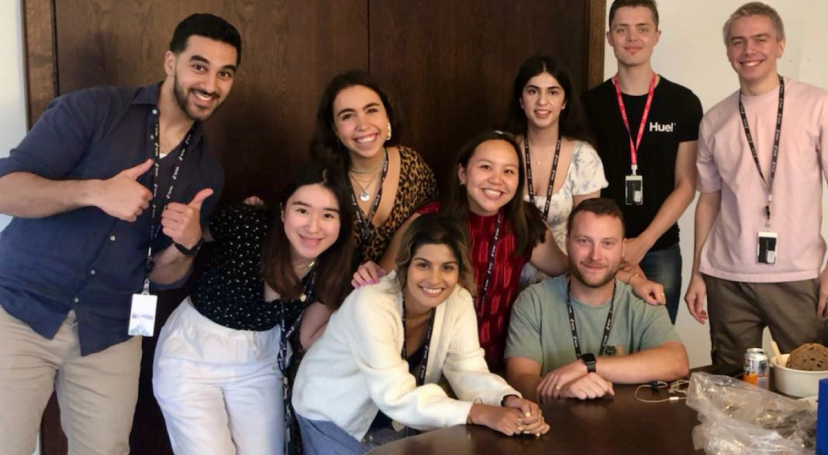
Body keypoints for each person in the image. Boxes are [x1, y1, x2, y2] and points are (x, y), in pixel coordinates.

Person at [0, 14, 240, 455]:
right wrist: (94, 191)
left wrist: (185, 245)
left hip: (109, 329)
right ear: (171, 61)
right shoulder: (93, 109)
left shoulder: (207, 171)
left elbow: (164, 276)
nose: (210, 84)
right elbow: (5, 190)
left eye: (224, 73)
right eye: (199, 66)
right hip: (20, 309)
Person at [354, 131, 664, 372]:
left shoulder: (525, 224)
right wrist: (369, 274)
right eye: (485, 167)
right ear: (463, 174)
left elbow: (576, 267)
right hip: (425, 361)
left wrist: (634, 280)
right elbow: (383, 282)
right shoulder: (428, 221)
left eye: (509, 172)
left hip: (494, 364)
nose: (496, 180)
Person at [294, 213, 550, 455]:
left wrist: (505, 399)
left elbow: (468, 368)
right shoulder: (371, 303)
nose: (434, 279)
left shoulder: (458, 300)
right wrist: (479, 413)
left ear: (459, 271)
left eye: (447, 267)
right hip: (332, 411)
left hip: (392, 413)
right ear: (405, 264)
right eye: (423, 265)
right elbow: (394, 395)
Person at [153, 162, 353, 455]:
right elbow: (198, 235)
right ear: (283, 211)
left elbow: (310, 337)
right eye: (302, 210)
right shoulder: (247, 225)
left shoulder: (330, 265)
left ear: (341, 223)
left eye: (328, 215)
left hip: (259, 362)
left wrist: (364, 296)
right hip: (191, 356)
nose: (313, 226)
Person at [685, 2, 828, 365]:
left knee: (807, 389)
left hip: (799, 276)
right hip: (727, 277)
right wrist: (698, 273)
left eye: (760, 39)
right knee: (733, 390)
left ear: (780, 45)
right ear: (728, 51)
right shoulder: (714, 120)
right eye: (738, 42)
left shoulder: (817, 106)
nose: (749, 51)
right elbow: (708, 200)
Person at [582, 0, 703, 324]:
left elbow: (686, 185)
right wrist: (614, 245)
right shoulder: (589, 104)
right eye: (622, 29)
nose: (632, 37)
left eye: (642, 28)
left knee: (657, 348)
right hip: (600, 250)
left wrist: (641, 244)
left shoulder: (683, 103)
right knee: (602, 343)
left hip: (660, 249)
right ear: (609, 37)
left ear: (657, 35)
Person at [505, 198, 688, 402]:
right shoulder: (533, 301)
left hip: (629, 426)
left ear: (622, 248)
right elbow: (519, 380)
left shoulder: (642, 300)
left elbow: (677, 362)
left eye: (607, 243)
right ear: (567, 242)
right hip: (553, 426)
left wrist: (588, 366)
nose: (595, 255)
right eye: (584, 241)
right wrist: (562, 389)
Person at [312, 70, 438, 265]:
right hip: (336, 292)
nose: (363, 124)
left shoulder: (412, 164)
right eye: (347, 116)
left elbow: (432, 232)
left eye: (371, 110)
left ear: (387, 115)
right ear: (334, 128)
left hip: (400, 290)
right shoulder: (322, 178)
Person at [505, 54, 608, 287]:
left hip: (560, 279)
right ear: (521, 99)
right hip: (502, 279)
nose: (542, 101)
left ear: (565, 101)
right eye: (533, 91)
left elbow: (587, 230)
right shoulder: (500, 148)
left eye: (553, 92)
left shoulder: (584, 157)